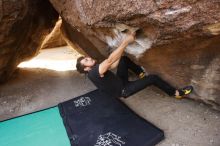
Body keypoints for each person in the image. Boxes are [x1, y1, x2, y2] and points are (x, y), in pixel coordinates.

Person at [76, 30, 193, 99]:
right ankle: (175, 93)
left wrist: (121, 50)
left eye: (86, 58)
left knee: (123, 60)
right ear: (86, 68)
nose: (89, 58)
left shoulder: (96, 69)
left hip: (120, 81)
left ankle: (140, 74)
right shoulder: (93, 73)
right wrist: (125, 42)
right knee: (153, 78)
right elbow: (110, 61)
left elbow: (112, 65)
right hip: (124, 90)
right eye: (86, 61)